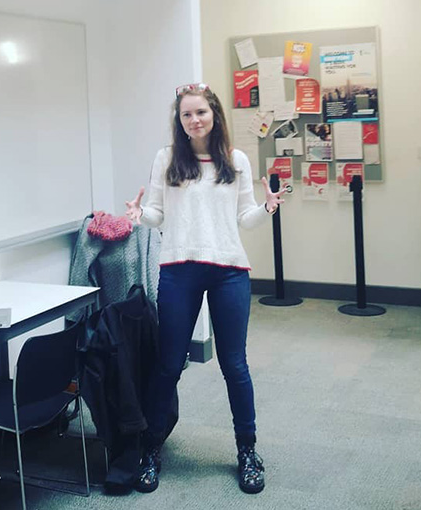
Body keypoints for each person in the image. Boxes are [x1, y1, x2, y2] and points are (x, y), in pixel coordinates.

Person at [125, 83, 285, 495]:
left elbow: (245, 217)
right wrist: (140, 214)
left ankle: (247, 451)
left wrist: (267, 208)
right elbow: (158, 213)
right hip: (180, 268)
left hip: (228, 270)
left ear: (215, 114)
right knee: (168, 364)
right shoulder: (167, 159)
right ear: (179, 121)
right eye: (186, 115)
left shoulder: (236, 160)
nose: (194, 120)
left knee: (234, 365)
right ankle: (150, 449)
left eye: (201, 112)